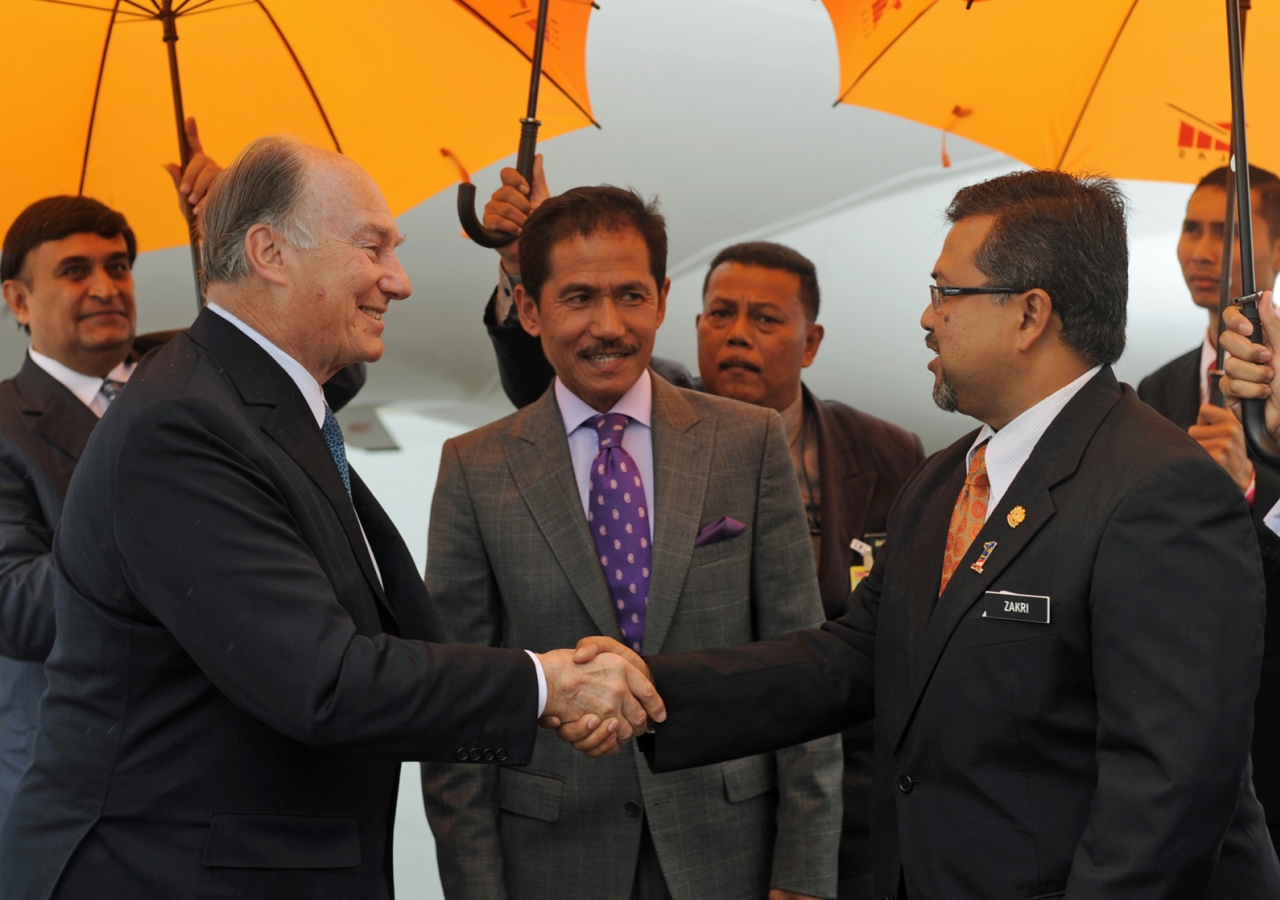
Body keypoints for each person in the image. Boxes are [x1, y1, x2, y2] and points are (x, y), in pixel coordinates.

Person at [560, 170, 1280, 899]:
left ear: (1030, 315)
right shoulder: (943, 482)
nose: (928, 319)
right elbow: (853, 655)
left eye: (947, 293)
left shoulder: (1159, 490)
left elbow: (1169, 794)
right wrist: (650, 688)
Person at [0, 136, 663, 900]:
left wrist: (554, 681)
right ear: (271, 253)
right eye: (373, 246)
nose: (400, 280)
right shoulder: (182, 425)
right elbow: (324, 679)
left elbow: (391, 633)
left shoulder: (263, 406)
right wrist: (544, 686)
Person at [479, 163, 924, 899]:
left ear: (810, 343)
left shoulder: (888, 451)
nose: (738, 336)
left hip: (808, 803)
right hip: (590, 822)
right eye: (722, 315)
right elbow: (552, 382)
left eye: (765, 320)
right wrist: (519, 259)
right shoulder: (640, 412)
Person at [0, 125, 365, 824]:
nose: (106, 287)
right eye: (75, 272)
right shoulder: (4, 426)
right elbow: (14, 608)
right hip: (87, 797)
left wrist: (241, 246)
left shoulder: (191, 367)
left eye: (118, 266)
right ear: (19, 301)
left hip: (233, 779)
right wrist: (165, 541)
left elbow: (338, 369)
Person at [1137, 164, 1280, 846]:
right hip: (1176, 721)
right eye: (1192, 227)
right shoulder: (1155, 389)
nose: (1199, 248)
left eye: (1226, 232)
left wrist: (1250, 492)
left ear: (1275, 251)